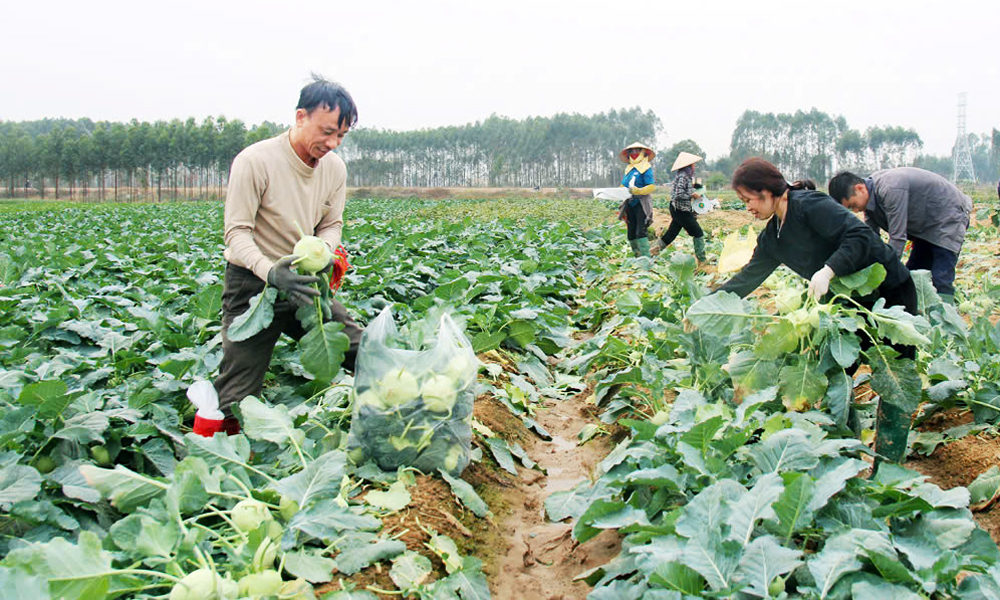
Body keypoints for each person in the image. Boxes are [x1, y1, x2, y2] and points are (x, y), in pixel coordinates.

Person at [717, 157, 916, 465]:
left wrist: (828, 270)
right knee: (836, 379)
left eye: (748, 200)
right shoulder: (774, 236)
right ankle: (847, 457)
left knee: (895, 379)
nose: (748, 208)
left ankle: (890, 467)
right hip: (847, 307)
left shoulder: (809, 205)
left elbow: (861, 236)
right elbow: (748, 277)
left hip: (888, 296)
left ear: (767, 192)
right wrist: (705, 304)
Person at [197, 75, 365, 437]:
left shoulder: (334, 169)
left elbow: (331, 223)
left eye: (341, 136)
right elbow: (237, 232)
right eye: (327, 132)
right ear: (300, 116)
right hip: (252, 286)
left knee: (365, 353)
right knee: (236, 399)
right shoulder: (255, 161)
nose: (333, 143)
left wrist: (325, 250)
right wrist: (271, 272)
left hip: (306, 283)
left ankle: (389, 425)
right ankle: (220, 461)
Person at [827, 167, 973, 304]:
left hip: (948, 215)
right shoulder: (869, 199)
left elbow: (898, 237)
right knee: (914, 274)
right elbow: (871, 238)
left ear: (859, 188)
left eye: (852, 205)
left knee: (941, 276)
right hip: (925, 224)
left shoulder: (891, 188)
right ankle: (919, 315)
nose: (856, 210)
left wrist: (886, 273)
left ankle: (946, 321)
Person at [652, 152, 707, 266]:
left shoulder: (684, 176)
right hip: (680, 209)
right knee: (698, 233)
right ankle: (702, 261)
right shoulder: (683, 176)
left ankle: (653, 252)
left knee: (672, 233)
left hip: (678, 209)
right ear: (688, 165)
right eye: (693, 164)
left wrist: (695, 191)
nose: (694, 166)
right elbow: (679, 194)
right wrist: (692, 195)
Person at [616, 142, 657, 257]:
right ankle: (637, 256)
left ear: (643, 153)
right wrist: (617, 192)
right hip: (630, 203)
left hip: (641, 202)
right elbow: (624, 185)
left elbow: (651, 186)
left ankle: (646, 260)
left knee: (640, 231)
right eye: (631, 151)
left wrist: (637, 190)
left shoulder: (646, 168)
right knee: (631, 232)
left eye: (637, 150)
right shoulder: (629, 169)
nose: (634, 153)